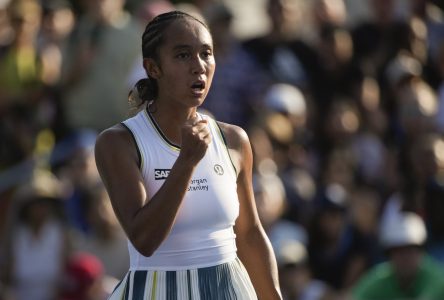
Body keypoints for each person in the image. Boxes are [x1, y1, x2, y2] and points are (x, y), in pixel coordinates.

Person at [94, 10, 282, 299]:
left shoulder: (234, 139)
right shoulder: (118, 142)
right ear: (153, 68)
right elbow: (144, 239)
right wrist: (187, 161)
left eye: (206, 53)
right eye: (183, 55)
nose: (199, 66)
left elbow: (250, 235)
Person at [351, 211, 444, 300]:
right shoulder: (380, 277)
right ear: (389, 255)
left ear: (421, 251)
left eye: (410, 250)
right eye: (398, 251)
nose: (405, 257)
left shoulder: (438, 279)